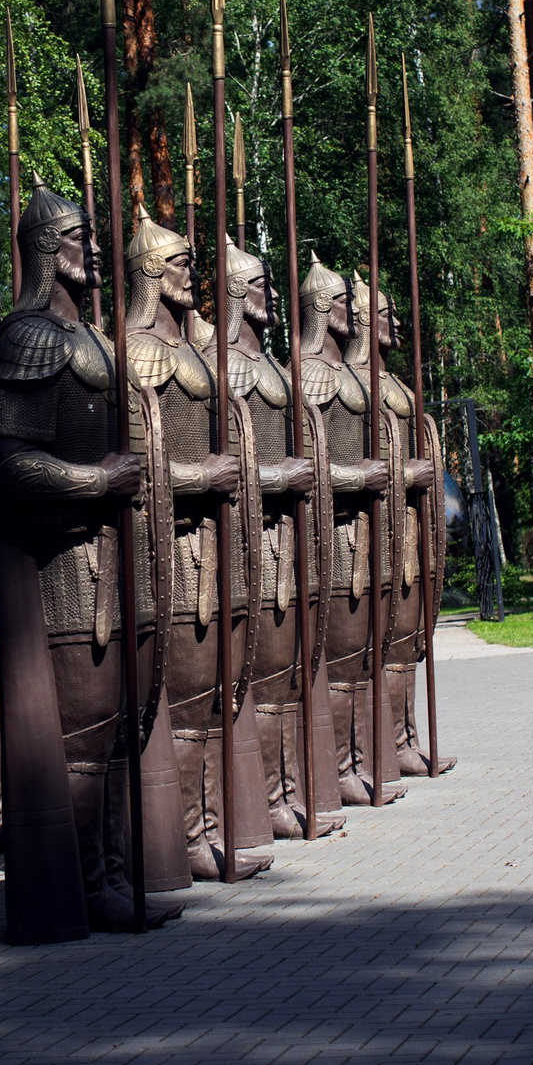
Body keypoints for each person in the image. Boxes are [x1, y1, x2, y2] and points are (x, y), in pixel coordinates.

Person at [0, 182, 169, 939]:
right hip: (68, 563)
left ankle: (116, 876)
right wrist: (97, 481)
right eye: (80, 238)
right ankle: (90, 883)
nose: (93, 250)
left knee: (122, 725)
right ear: (45, 250)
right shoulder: (27, 338)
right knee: (89, 735)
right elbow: (11, 462)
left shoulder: (90, 338)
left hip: (117, 557)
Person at [123, 208, 264, 881]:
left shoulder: (188, 349)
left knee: (208, 693)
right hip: (167, 549)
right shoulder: (136, 352)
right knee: (177, 699)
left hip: (212, 542)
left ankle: (206, 827)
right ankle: (179, 835)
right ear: (152, 271)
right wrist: (201, 474)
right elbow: (136, 455)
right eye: (180, 264)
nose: (191, 275)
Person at [222, 239, 327, 837]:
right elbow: (229, 456)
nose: (269, 295)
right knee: (258, 671)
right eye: (260, 284)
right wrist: (279, 474)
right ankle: (262, 798)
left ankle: (286, 791)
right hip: (246, 537)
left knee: (285, 667)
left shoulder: (273, 368)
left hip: (286, 535)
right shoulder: (226, 366)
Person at [298, 252, 396, 805]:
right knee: (335, 656)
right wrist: (361, 473)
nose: (352, 313)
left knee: (365, 650)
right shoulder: (309, 372)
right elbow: (313, 457)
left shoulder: (351, 376)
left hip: (366, 528)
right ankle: (337, 768)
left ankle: (365, 758)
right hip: (330, 532)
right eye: (342, 303)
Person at [361, 280, 450, 778]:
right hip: (374, 534)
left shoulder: (396, 387)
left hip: (412, 527)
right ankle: (386, 746)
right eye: (384, 314)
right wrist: (405, 471)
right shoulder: (353, 385)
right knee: (385, 639)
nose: (394, 322)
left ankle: (407, 737)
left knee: (409, 639)